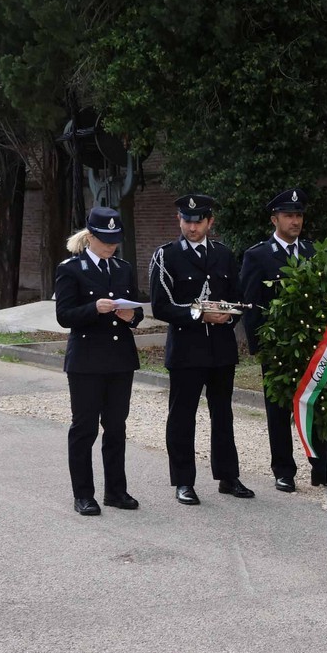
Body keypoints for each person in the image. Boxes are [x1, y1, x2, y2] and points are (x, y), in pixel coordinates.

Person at [148, 193, 256, 506]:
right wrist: (199, 314)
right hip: (186, 348)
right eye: (186, 221)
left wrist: (231, 311)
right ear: (179, 221)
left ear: (210, 222)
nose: (192, 227)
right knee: (182, 416)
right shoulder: (166, 256)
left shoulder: (223, 254)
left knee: (223, 414)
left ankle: (227, 476)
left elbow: (235, 295)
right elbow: (160, 305)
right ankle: (183, 481)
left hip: (220, 347)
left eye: (198, 221)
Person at [54, 207, 144, 516]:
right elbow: (64, 316)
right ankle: (83, 494)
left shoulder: (122, 268)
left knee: (116, 427)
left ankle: (116, 491)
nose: (110, 246)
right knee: (85, 428)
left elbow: (137, 309)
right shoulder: (71, 269)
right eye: (105, 240)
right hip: (86, 361)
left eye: (115, 240)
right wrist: (94, 308)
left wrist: (132, 315)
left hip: (119, 360)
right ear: (90, 237)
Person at [240, 188, 327, 492]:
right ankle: (283, 470)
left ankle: (321, 467)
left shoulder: (312, 253)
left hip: (311, 346)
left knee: (316, 403)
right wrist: (259, 348)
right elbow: (251, 305)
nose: (295, 221)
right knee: (278, 409)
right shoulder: (258, 256)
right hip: (276, 349)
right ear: (274, 218)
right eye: (289, 215)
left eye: (299, 215)